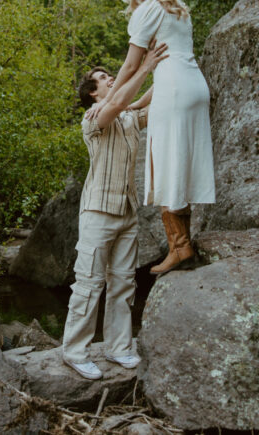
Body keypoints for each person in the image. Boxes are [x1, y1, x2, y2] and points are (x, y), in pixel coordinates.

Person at [91, 0, 215, 275]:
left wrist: (110, 98)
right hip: (194, 86)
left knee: (163, 165)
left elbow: (132, 65)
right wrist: (133, 104)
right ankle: (182, 242)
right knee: (181, 163)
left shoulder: (147, 9)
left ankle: (179, 247)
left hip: (172, 90)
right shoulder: (178, 8)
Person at [62, 40, 168, 381]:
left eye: (111, 75)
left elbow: (153, 102)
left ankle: (118, 347)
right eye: (104, 78)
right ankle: (74, 352)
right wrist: (146, 65)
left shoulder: (127, 118)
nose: (110, 78)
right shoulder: (93, 119)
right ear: (93, 94)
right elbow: (121, 99)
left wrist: (168, 66)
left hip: (127, 212)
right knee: (89, 284)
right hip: (97, 212)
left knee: (123, 284)